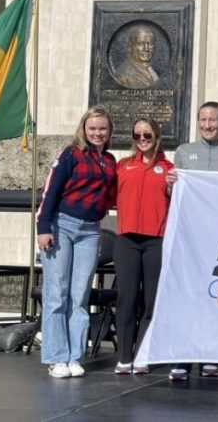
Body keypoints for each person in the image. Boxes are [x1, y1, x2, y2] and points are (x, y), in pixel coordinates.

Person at [166, 101, 218, 381]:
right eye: (203, 120)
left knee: (216, 296)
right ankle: (184, 358)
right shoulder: (184, 152)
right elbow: (173, 192)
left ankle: (210, 356)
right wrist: (170, 183)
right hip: (190, 237)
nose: (208, 125)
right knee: (188, 297)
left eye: (213, 120)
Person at [36, 105, 118, 379]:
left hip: (90, 231)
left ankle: (74, 356)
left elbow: (111, 194)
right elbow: (51, 191)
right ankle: (56, 357)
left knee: (80, 296)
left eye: (102, 128)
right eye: (92, 128)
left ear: (109, 132)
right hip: (62, 226)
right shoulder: (71, 154)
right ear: (84, 129)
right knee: (56, 294)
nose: (97, 133)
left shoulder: (110, 160)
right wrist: (43, 227)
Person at [113, 117, 174, 376]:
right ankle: (124, 356)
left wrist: (173, 188)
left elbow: (178, 199)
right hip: (126, 240)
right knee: (127, 298)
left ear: (156, 136)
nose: (142, 140)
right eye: (137, 135)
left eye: (147, 135)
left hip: (155, 241)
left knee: (151, 301)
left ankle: (142, 355)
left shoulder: (170, 169)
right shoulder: (123, 166)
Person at [113, 24, 160, 89]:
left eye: (150, 44)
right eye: (140, 43)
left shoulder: (152, 71)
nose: (146, 49)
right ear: (130, 47)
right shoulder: (123, 75)